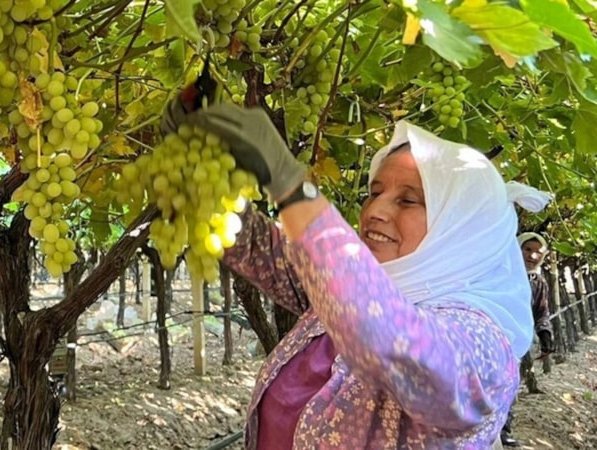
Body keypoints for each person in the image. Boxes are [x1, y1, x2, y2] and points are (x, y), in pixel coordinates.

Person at [162, 100, 554, 449]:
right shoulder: (344, 288)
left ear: (461, 227)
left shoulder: (484, 347)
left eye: (408, 199)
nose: (374, 211)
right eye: (375, 191)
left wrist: (288, 179)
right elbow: (258, 248)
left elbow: (394, 343)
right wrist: (194, 178)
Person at [500, 232, 554, 447]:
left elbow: (541, 312)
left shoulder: (538, 282)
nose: (532, 255)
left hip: (517, 342)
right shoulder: (501, 273)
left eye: (538, 252)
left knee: (510, 384)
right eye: (527, 249)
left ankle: (503, 430)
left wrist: (545, 335)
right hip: (492, 332)